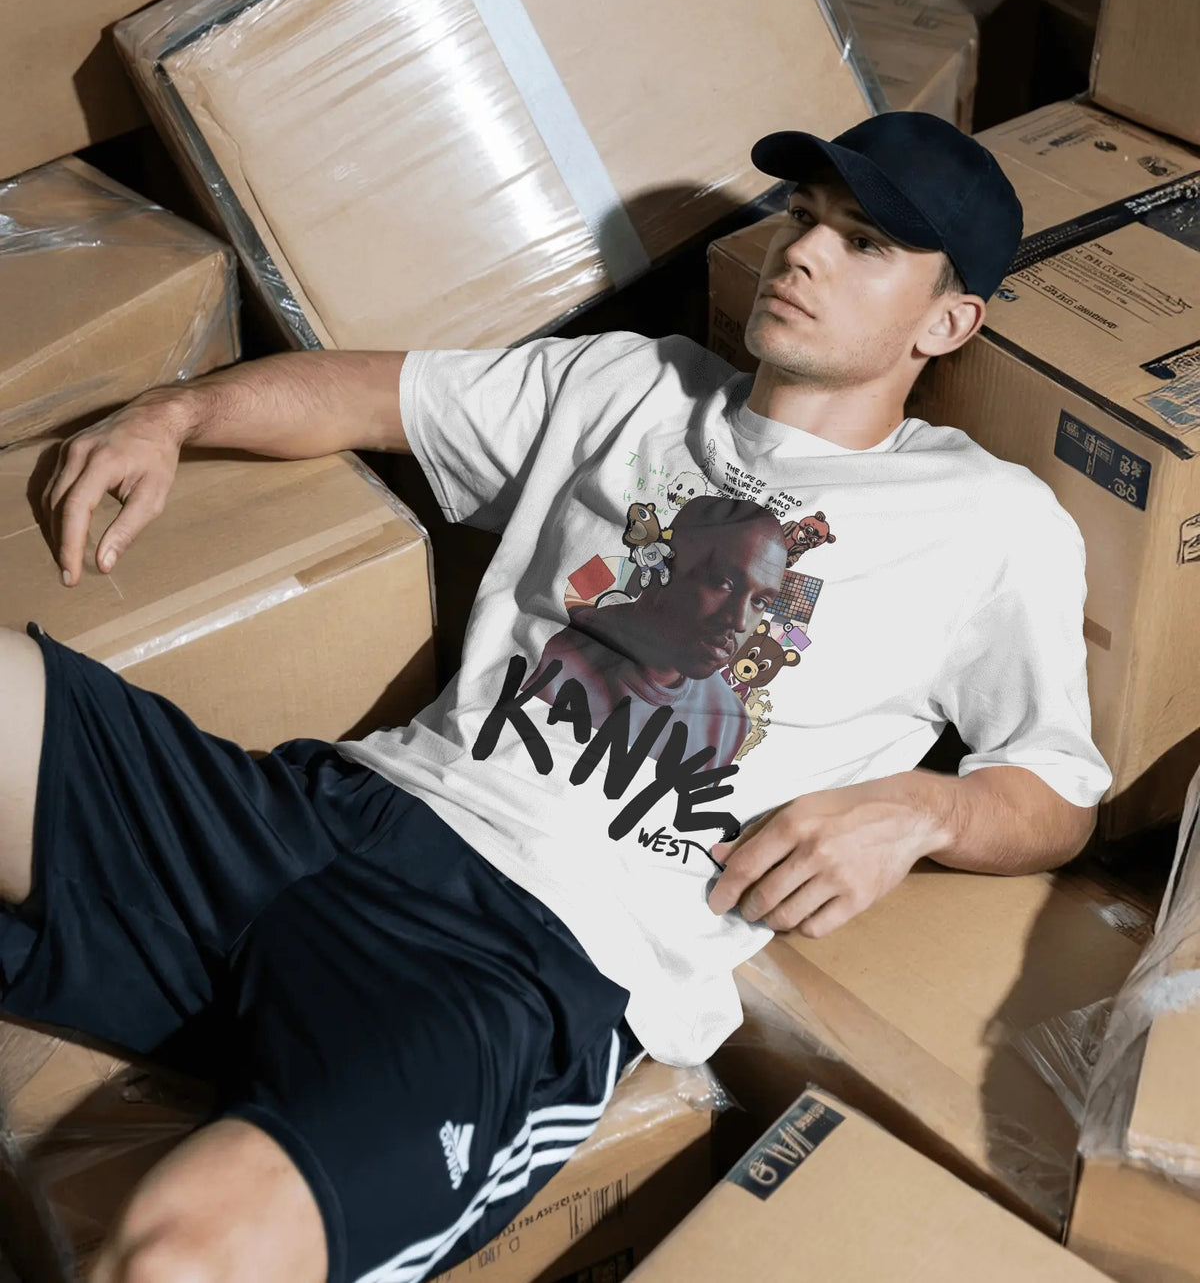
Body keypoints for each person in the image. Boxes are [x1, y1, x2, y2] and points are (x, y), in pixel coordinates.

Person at [0, 113, 1110, 1283]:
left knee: (181, 1256)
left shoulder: (989, 523)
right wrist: (177, 414)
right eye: (803, 220)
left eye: (865, 244)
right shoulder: (633, 380)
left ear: (947, 322)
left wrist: (920, 810)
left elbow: (1060, 796)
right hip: (326, 811)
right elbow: (372, 398)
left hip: (521, 958)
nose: (803, 255)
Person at [530, 494, 791, 769]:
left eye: (759, 601)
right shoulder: (551, 648)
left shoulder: (728, 725)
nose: (740, 621)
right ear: (664, 567)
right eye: (722, 582)